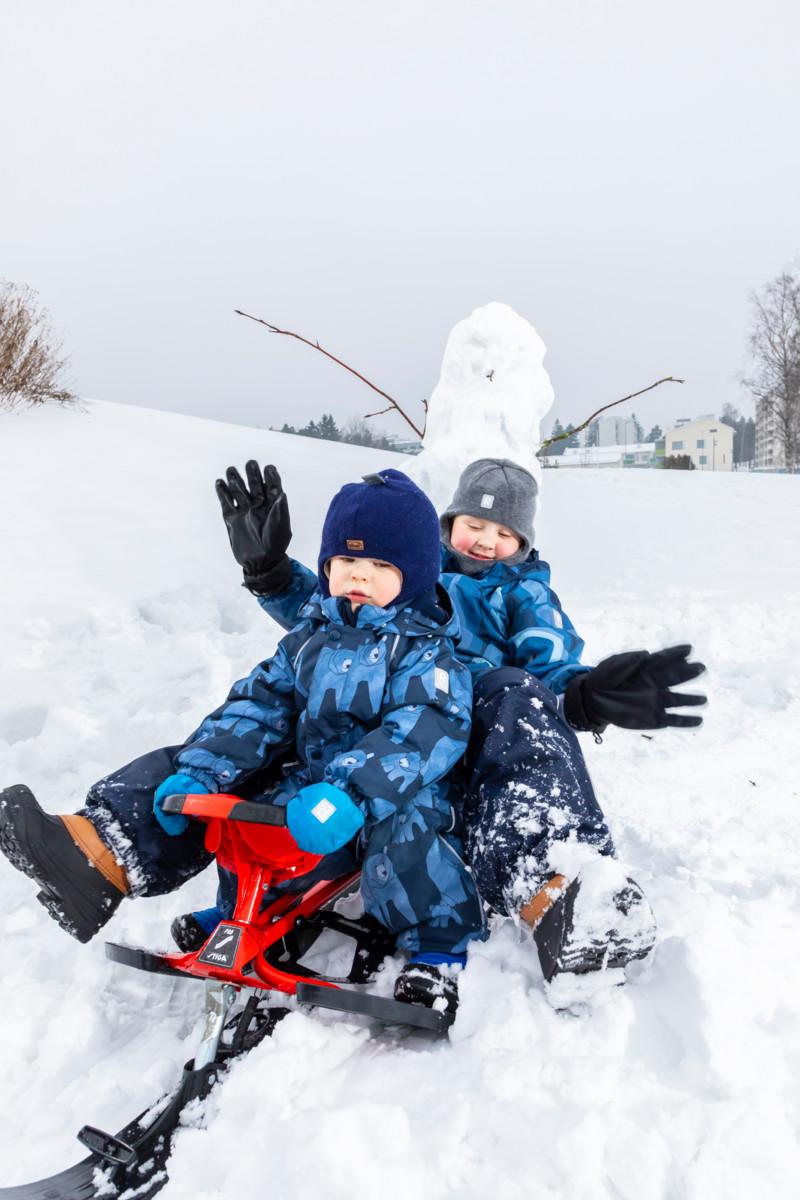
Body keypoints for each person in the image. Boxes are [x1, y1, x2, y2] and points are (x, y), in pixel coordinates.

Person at [218, 458, 706, 999]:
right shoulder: (408, 570)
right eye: (474, 524)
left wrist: (586, 697)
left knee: (512, 690)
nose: (485, 541)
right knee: (303, 698)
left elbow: (549, 665)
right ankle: (259, 881)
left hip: (483, 738)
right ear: (449, 524)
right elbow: (333, 613)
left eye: (505, 532)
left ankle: (558, 885)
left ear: (523, 541)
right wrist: (272, 573)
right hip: (393, 741)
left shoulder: (523, 593)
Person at [0, 469, 485, 1014]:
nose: (358, 577)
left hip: (378, 797)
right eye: (345, 562)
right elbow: (259, 705)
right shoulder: (309, 638)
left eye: (379, 566)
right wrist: (204, 771)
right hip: (311, 793)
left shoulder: (426, 655)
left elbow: (421, 733)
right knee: (240, 811)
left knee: (406, 829)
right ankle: (153, 870)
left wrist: (348, 792)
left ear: (415, 576)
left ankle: (436, 946)